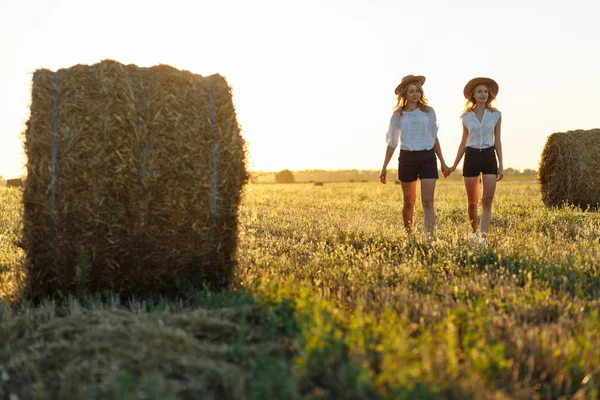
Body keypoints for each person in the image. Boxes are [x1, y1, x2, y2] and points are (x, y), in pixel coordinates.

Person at [380, 75, 449, 238]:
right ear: (404, 93)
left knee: (427, 201)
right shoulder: (398, 115)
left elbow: (434, 137)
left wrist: (443, 162)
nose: (415, 94)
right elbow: (392, 142)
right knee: (409, 202)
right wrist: (384, 167)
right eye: (411, 91)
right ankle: (409, 236)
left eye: (418, 91)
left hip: (427, 157)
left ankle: (429, 238)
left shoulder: (428, 111)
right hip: (407, 158)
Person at [449, 77, 504, 244]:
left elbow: (498, 141)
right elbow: (463, 142)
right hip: (471, 156)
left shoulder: (496, 115)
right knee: (472, 202)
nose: (483, 94)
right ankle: (474, 233)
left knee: (487, 200)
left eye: (485, 92)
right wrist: (453, 165)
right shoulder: (466, 117)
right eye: (479, 91)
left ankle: (483, 238)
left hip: (488, 156)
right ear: (473, 95)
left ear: (489, 95)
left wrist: (501, 165)